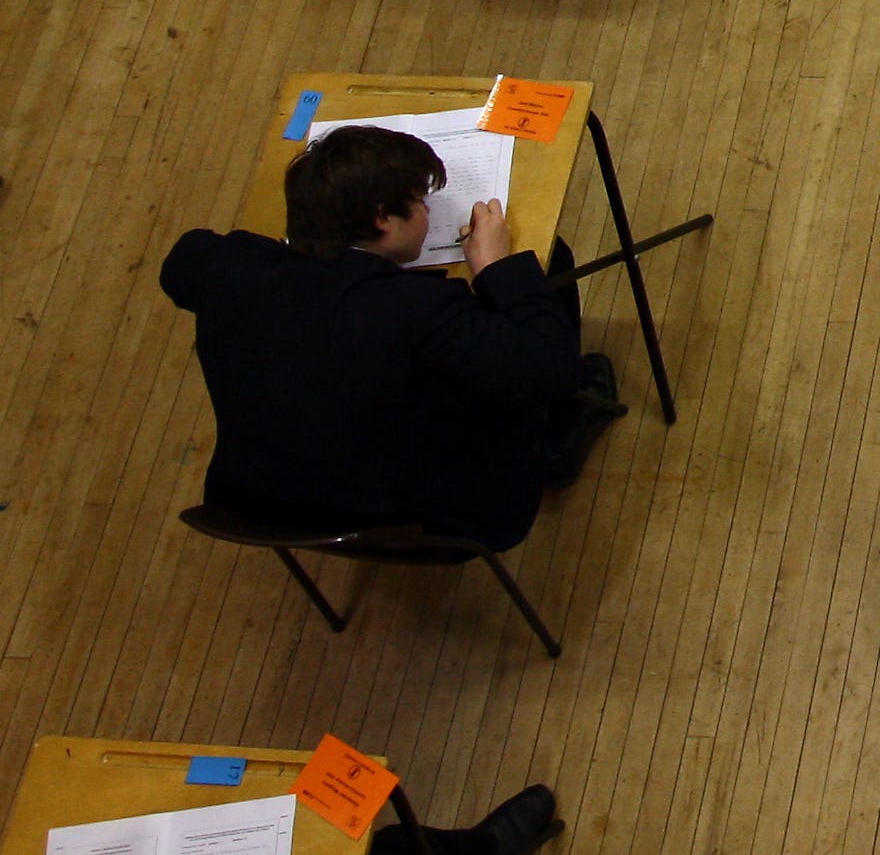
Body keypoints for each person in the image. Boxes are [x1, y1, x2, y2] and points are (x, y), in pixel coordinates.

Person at [159, 122, 622, 553]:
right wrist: (497, 268)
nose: (426, 211)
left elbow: (183, 259)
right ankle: (560, 439)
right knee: (545, 271)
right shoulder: (415, 308)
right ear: (383, 219)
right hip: (434, 521)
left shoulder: (227, 270)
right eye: (420, 202)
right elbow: (551, 367)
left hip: (257, 508)